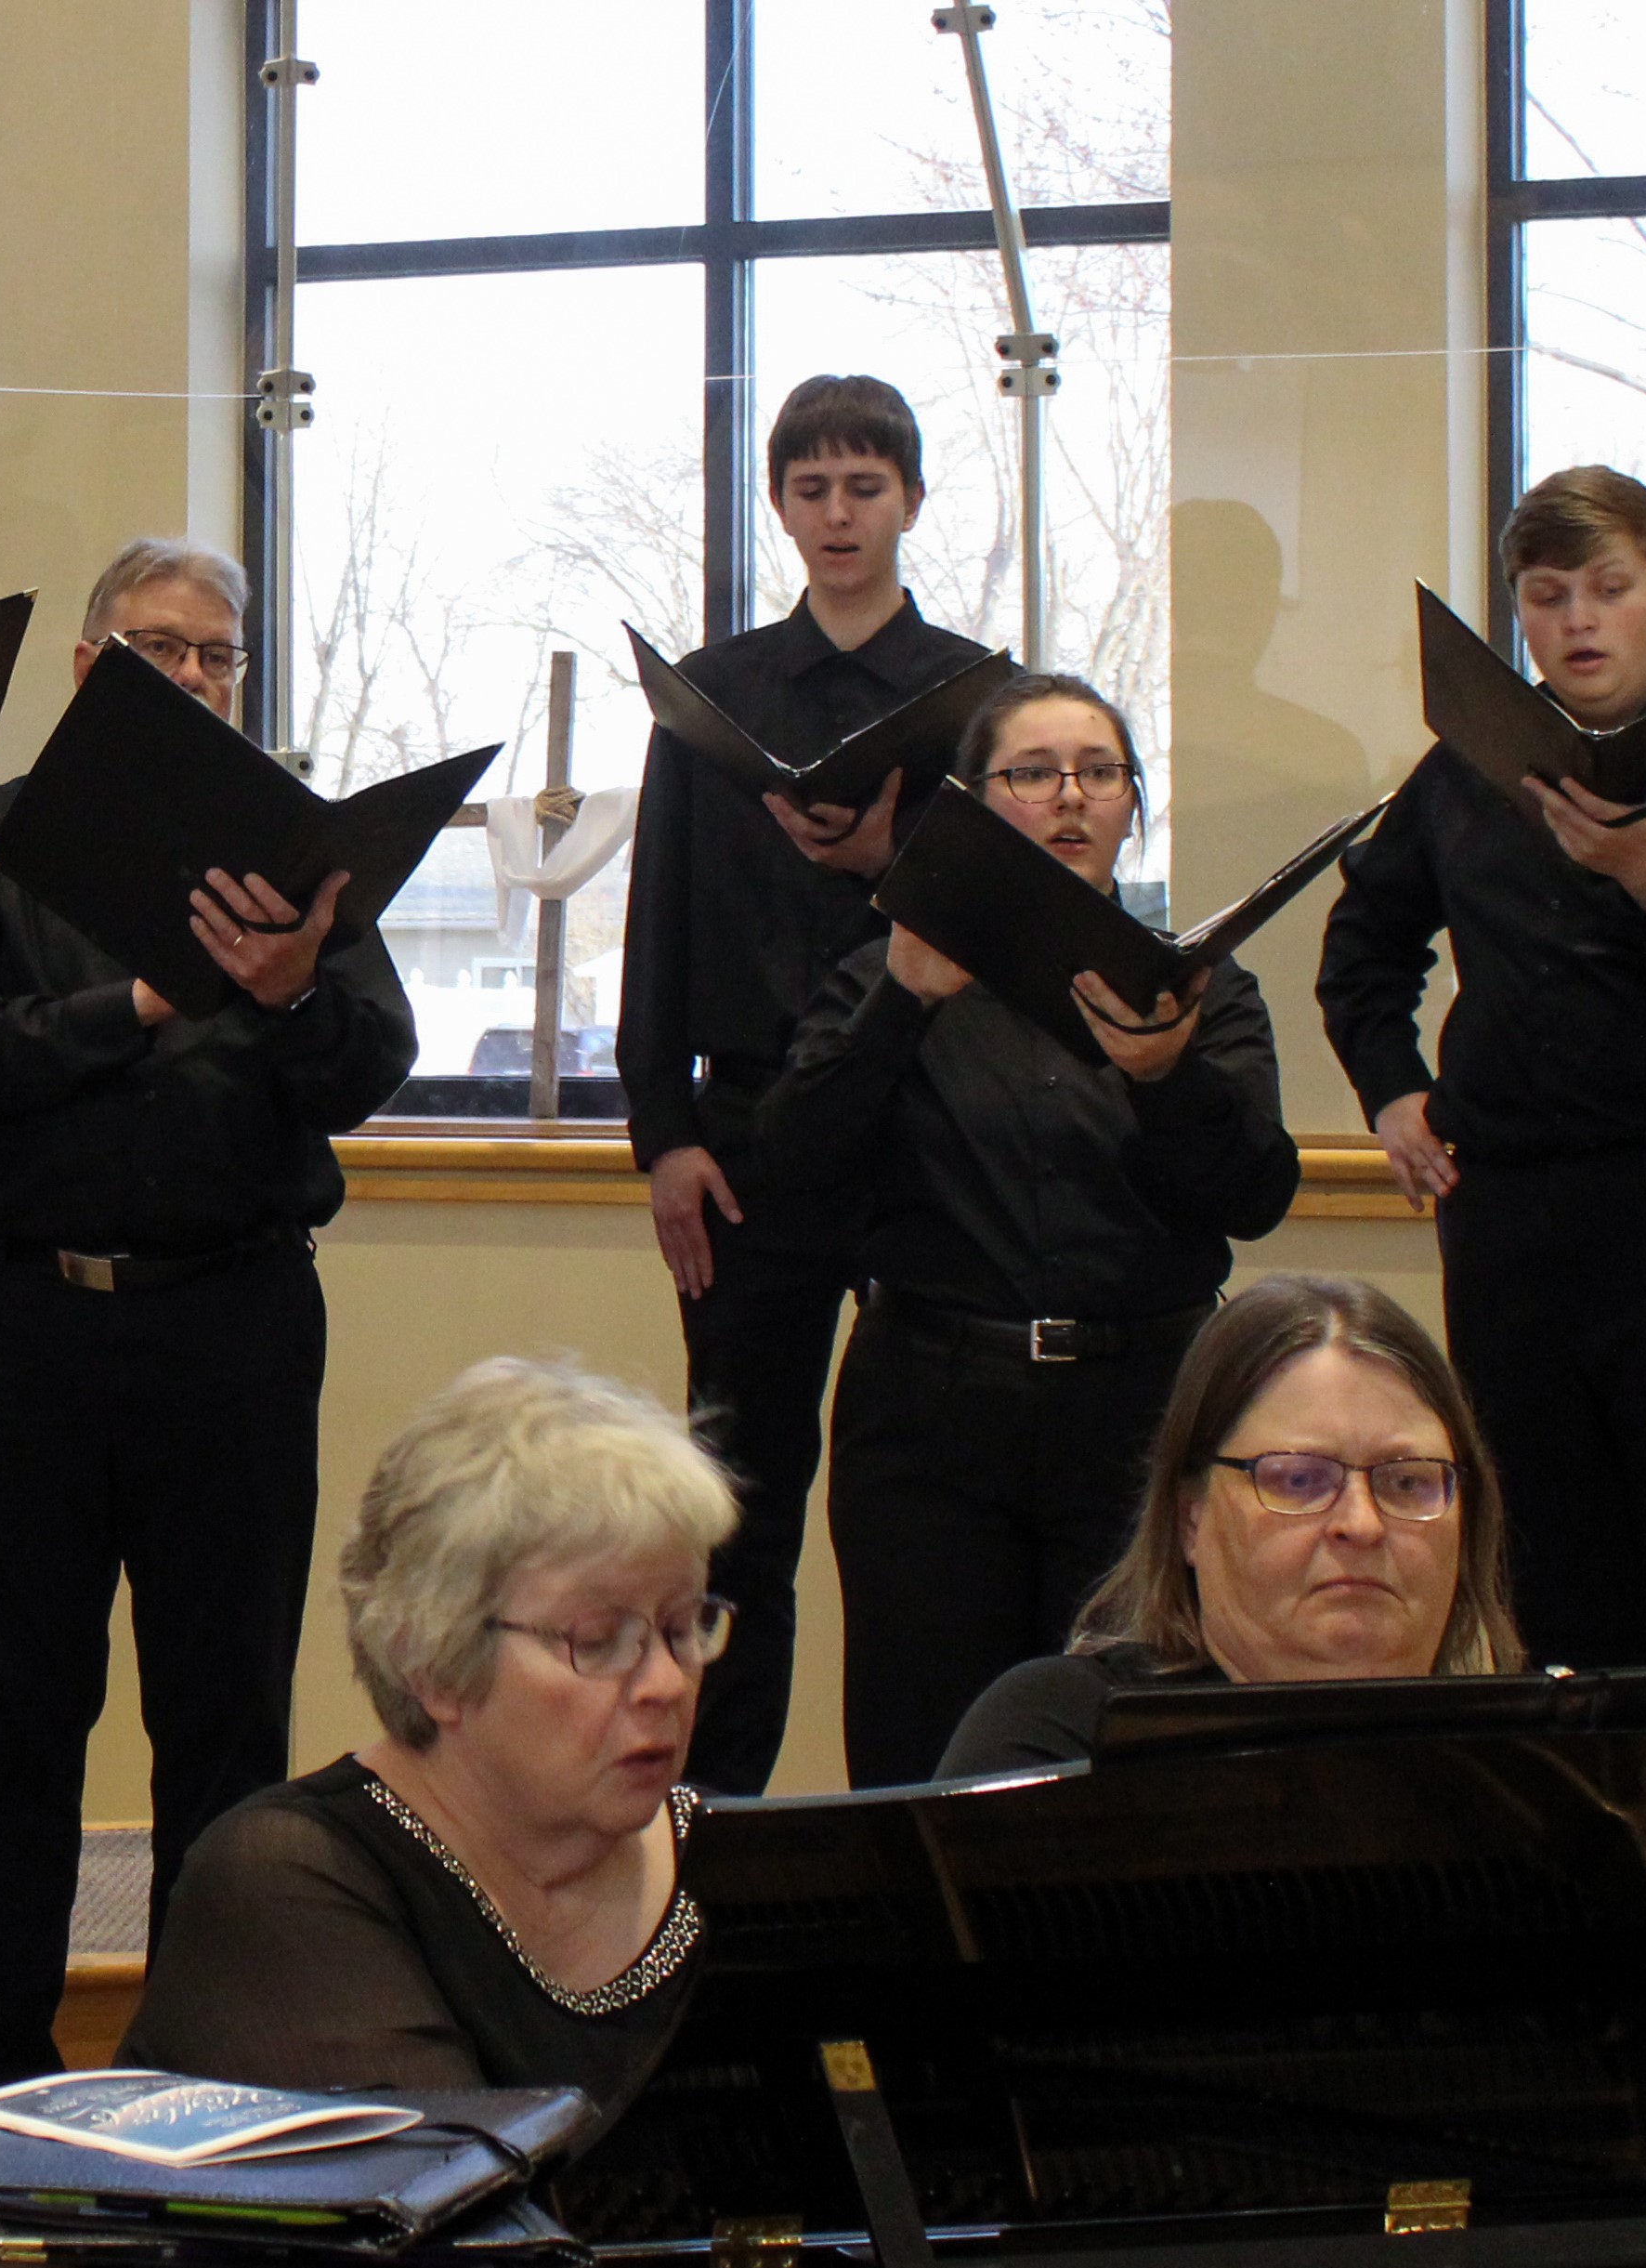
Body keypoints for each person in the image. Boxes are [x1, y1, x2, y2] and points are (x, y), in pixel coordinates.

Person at [0, 538, 419, 2098]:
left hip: (232, 1321)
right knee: (14, 1712)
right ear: (88, 667)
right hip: (28, 1318)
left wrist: (285, 988)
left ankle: (203, 2056)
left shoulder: (294, 858)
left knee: (223, 1713)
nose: (191, 676)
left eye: (216, 654)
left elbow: (367, 1066)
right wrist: (135, 1005)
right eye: (157, 649)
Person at [1317, 467, 1646, 1669]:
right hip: (1509, 1209)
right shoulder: (1475, 757)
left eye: (1608, 589)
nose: (1577, 621)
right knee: (1539, 1556)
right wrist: (1390, 1088)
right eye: (1546, 596)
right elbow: (1365, 944)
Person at [757, 674, 1293, 1790]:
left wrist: (1167, 1076)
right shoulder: (885, 972)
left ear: (1132, 806)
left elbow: (1253, 1195)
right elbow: (793, 1175)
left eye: (1100, 773)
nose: (1070, 797)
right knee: (921, 1757)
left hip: (1142, 1414)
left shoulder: (1199, 991)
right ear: (973, 806)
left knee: (1135, 1763)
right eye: (1033, 774)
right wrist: (900, 1006)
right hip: (930, 1417)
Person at [616, 375, 997, 1796]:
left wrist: (885, 862)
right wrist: (660, 1132)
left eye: (864, 487)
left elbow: (1013, 918)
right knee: (734, 1515)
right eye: (812, 488)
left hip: (927, 1130)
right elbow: (657, 922)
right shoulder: (710, 694)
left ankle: (918, 1819)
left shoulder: (974, 696)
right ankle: (713, 1831)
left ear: (910, 501)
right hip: (743, 1139)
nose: (838, 515)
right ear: (778, 505)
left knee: (921, 1513)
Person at [118, 1359, 739, 2143]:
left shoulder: (742, 1865)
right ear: (433, 1660)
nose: (666, 1682)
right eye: (597, 1639)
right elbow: (460, 2196)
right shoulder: (282, 1883)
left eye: (683, 1628)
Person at [934, 1276, 1527, 1775]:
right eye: (1299, 1479)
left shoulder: (1531, 1772)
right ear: (1190, 1518)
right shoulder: (1063, 1740)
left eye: (1407, 1483)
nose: (1362, 1523)